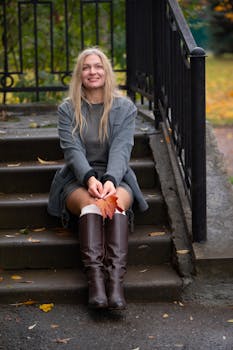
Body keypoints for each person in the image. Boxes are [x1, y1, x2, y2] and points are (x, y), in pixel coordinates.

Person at [48, 47, 148, 310]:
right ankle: (96, 283)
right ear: (79, 74)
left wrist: (111, 179)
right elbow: (72, 150)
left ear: (106, 71)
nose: (93, 71)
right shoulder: (68, 108)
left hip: (117, 176)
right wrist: (90, 178)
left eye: (98, 66)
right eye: (86, 67)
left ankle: (115, 284)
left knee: (112, 205)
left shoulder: (124, 107)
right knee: (93, 206)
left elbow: (122, 148)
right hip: (77, 178)